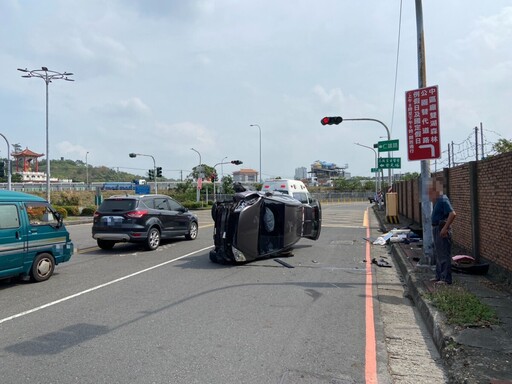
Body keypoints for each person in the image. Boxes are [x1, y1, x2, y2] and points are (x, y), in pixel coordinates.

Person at [428, 178, 457, 285]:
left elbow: (452, 214)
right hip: (436, 228)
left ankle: (446, 279)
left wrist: (445, 228)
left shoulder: (443, 199)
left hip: (442, 229)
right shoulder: (437, 200)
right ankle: (439, 276)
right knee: (438, 253)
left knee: (444, 254)